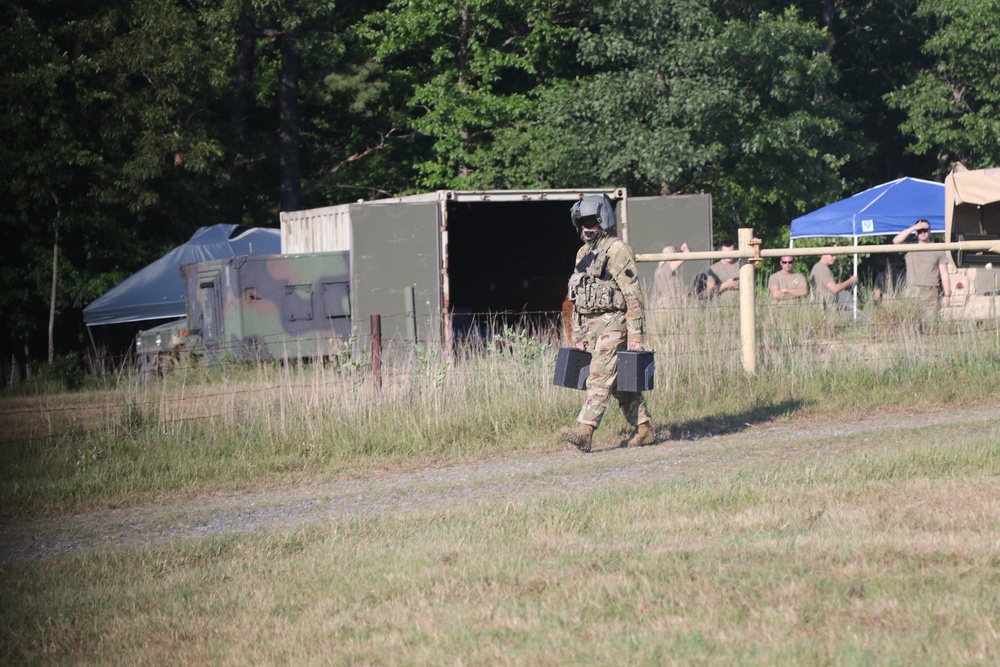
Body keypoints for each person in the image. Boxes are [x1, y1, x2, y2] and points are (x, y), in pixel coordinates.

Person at [560, 194, 654, 453]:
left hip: (615, 322)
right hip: (592, 326)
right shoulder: (583, 252)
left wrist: (636, 335)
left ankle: (585, 430)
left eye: (590, 221)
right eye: (581, 223)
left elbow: (633, 295)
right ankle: (644, 428)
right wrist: (578, 333)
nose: (585, 228)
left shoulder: (618, 250)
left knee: (599, 374)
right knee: (618, 384)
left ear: (603, 219)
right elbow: (577, 296)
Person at [892, 219, 951, 307]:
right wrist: (914, 227)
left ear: (929, 231)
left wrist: (947, 295)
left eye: (925, 230)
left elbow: (944, 273)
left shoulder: (938, 248)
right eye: (919, 231)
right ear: (916, 233)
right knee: (912, 320)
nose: (922, 232)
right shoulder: (909, 247)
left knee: (930, 320)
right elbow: (896, 241)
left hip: (931, 290)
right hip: (912, 290)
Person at [652, 242, 691, 312]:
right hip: (670, 303)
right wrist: (685, 249)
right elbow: (686, 255)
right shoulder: (668, 267)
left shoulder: (659, 269)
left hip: (662, 303)